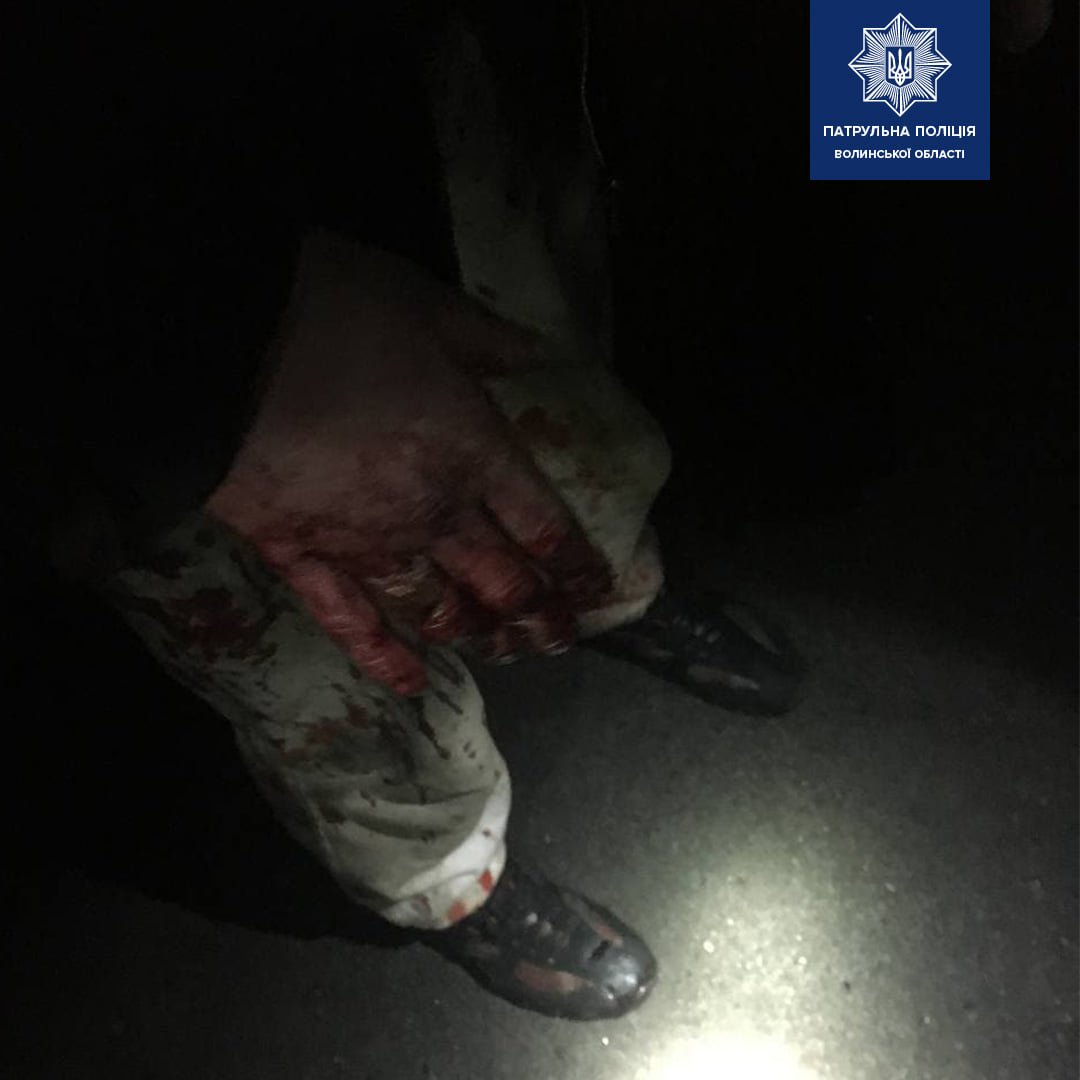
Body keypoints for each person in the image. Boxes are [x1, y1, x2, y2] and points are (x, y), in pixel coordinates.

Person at [13, 0, 1050, 1023]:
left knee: (542, 356)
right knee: (298, 636)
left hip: (416, 70)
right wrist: (212, 345)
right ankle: (448, 878)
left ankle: (608, 590)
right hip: (136, 244)